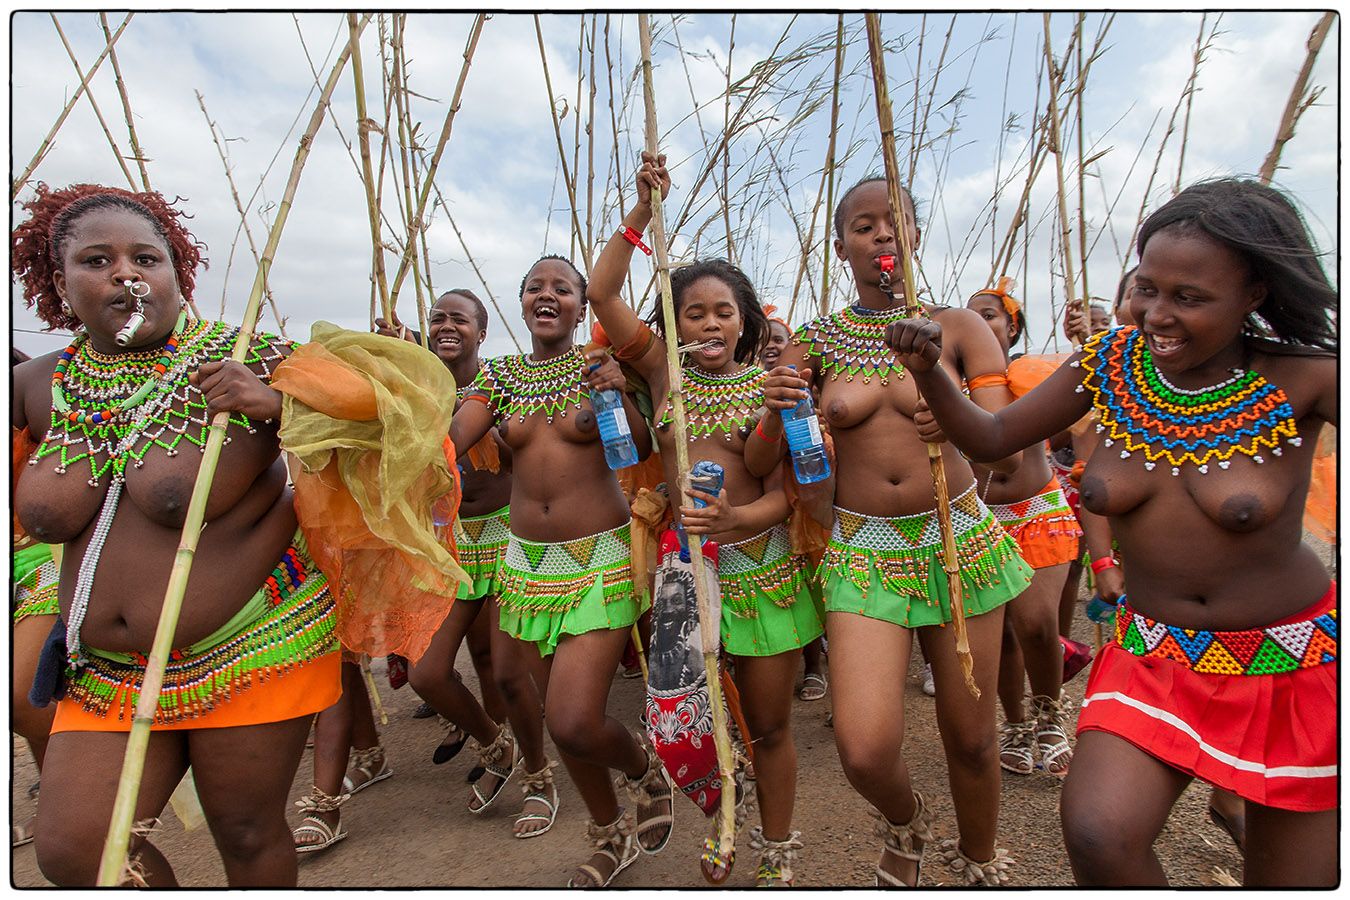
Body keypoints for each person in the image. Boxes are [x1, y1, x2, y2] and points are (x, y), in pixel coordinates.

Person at [885, 178, 1337, 886]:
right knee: (1098, 834)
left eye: (1189, 298)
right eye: (1148, 289)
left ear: (1253, 294)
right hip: (1149, 653)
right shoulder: (1109, 364)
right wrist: (930, 374)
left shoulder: (1307, 378)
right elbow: (996, 434)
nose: (1157, 314)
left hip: (1289, 663)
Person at [11, 183, 461, 887]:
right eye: (96, 260)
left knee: (247, 837)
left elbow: (411, 419)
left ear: (178, 273)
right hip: (103, 673)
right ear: (56, 279)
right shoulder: (37, 384)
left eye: (146, 258)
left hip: (252, 649)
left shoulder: (251, 352)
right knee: (77, 855)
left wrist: (278, 404)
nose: (126, 274)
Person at [750, 176, 1033, 886]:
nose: (880, 235)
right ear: (839, 245)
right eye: (863, 225)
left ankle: (976, 863)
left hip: (958, 541)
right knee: (865, 748)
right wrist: (775, 408)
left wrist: (950, 400)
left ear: (913, 234)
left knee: (970, 740)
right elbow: (763, 460)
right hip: (862, 552)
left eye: (893, 222)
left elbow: (1005, 448)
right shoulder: (813, 342)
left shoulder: (960, 328)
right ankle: (906, 821)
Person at [587, 154, 825, 886]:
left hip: (764, 570)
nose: (710, 323)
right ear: (675, 321)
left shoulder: (773, 384)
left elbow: (797, 488)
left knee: (772, 723)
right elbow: (601, 290)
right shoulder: (662, 374)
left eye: (725, 311)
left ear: (746, 321)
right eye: (695, 311)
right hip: (684, 573)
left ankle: (776, 846)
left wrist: (739, 517)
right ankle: (723, 808)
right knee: (686, 716)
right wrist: (639, 210)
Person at [449, 254, 673, 887]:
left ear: (580, 306)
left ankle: (644, 771)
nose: (547, 295)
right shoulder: (500, 380)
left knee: (573, 719)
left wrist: (610, 395)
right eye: (534, 287)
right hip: (524, 569)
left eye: (563, 288)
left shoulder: (599, 369)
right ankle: (609, 835)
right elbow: (453, 436)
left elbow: (637, 445)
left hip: (597, 562)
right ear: (521, 304)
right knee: (561, 724)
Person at [378, 290, 555, 839]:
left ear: (481, 333)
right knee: (425, 673)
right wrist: (397, 376)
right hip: (451, 540)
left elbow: (509, 456)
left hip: (506, 535)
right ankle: (493, 743)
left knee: (505, 669)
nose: (446, 325)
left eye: (461, 318)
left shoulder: (501, 382)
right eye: (438, 317)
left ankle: (538, 776)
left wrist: (467, 418)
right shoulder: (414, 383)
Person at [965, 283, 1083, 778]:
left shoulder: (1037, 375)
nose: (979, 325)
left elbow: (1082, 415)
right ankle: (1014, 724)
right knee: (1004, 636)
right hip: (980, 517)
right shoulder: (949, 382)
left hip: (1038, 510)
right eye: (971, 317)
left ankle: (1049, 714)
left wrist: (1084, 344)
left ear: (1012, 327)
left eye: (989, 316)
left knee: (1037, 623)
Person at [760, 309, 830, 704]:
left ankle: (819, 667)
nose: (772, 346)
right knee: (794, 589)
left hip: (810, 498)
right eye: (765, 340)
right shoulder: (754, 389)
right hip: (773, 500)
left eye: (780, 340)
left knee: (819, 586)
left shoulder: (809, 386)